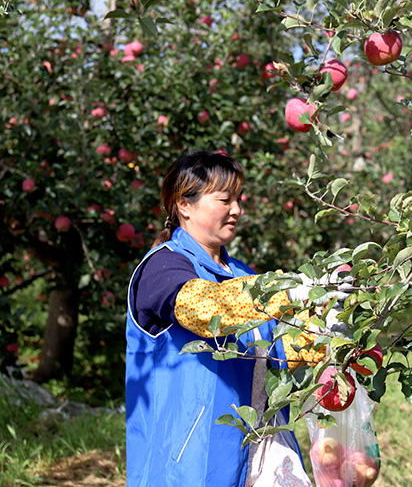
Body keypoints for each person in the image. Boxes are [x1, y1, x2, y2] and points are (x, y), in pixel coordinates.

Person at [125, 151, 345, 487]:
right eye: (225, 199)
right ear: (185, 204)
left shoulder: (243, 274)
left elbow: (277, 353)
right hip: (192, 457)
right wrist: (284, 291)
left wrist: (325, 329)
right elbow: (204, 308)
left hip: (264, 449)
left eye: (238, 199)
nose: (237, 210)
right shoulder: (163, 267)